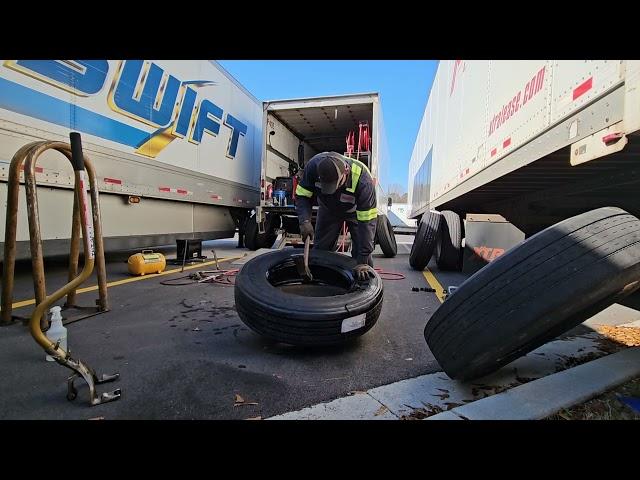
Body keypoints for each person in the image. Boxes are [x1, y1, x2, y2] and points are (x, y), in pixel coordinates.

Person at [294, 152, 377, 281]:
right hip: (328, 210)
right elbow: (302, 195)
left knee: (362, 258)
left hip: (356, 214)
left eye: (335, 184)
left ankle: (361, 287)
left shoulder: (363, 181)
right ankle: (321, 283)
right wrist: (304, 221)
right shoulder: (312, 167)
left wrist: (363, 260)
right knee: (321, 251)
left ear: (346, 171)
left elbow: (367, 223)